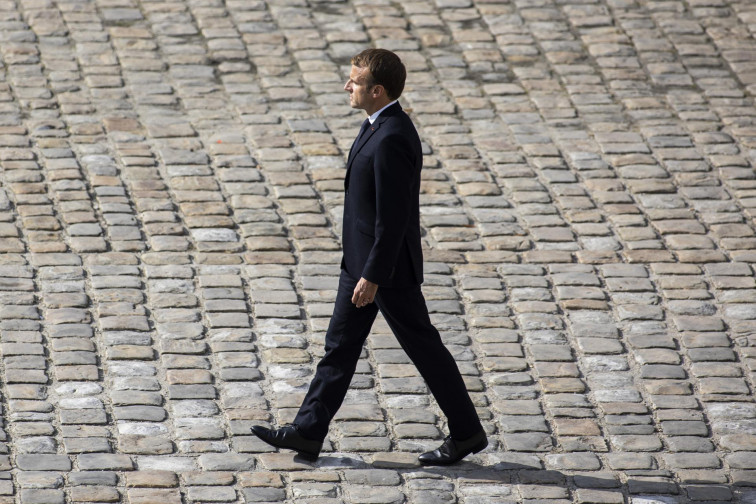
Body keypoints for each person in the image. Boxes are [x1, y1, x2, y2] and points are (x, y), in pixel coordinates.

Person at [251, 48, 486, 466]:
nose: (347, 86)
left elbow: (394, 218)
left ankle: (467, 432)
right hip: (361, 263)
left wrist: (373, 275)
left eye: (355, 82)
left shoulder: (394, 135)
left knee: (424, 349)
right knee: (339, 348)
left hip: (385, 271)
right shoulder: (376, 124)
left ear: (377, 91)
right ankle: (308, 432)